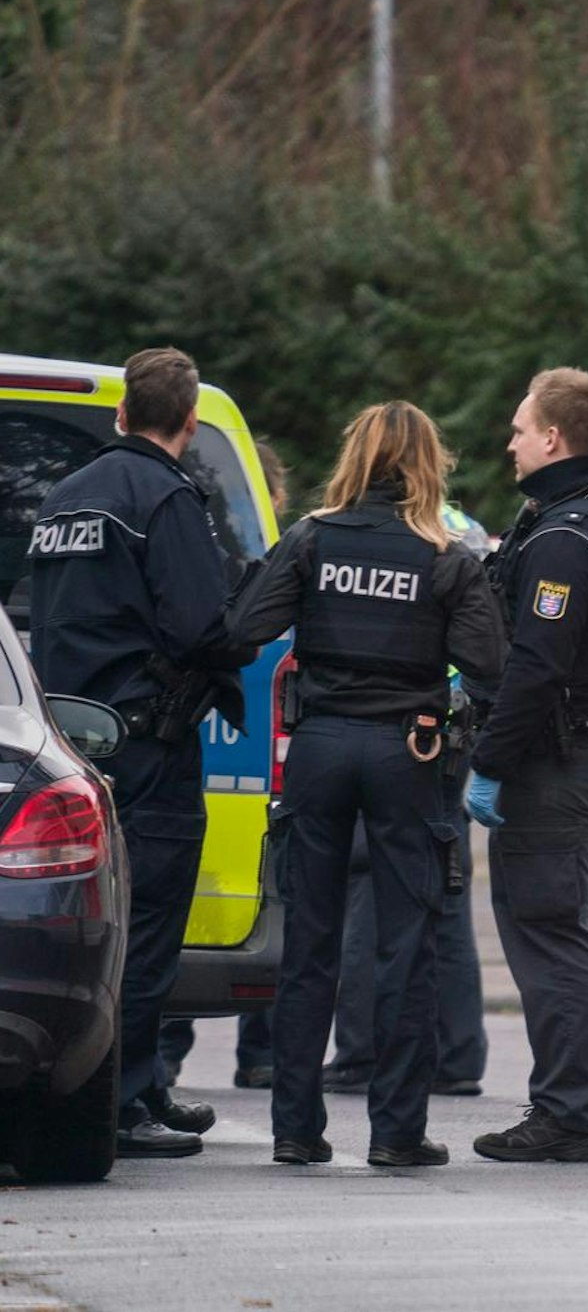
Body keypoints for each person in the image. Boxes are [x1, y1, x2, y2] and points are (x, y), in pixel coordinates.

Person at [226, 401, 505, 1167]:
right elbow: (489, 663)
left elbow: (246, 625)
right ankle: (396, 1133)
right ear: (427, 464)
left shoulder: (312, 537)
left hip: (317, 748)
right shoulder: (447, 555)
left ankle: (294, 1129)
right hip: (406, 754)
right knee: (406, 943)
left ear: (354, 456)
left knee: (309, 944)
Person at [28, 347, 254, 1158]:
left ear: (123, 412)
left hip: (67, 739)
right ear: (189, 425)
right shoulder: (165, 497)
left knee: (97, 921)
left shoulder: (63, 497)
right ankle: (127, 1100)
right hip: (148, 741)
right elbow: (202, 626)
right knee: (152, 924)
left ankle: (143, 1077)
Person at [465, 368, 588, 1163]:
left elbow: (537, 666)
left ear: (553, 438)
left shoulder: (567, 537)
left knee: (547, 933)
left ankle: (568, 1114)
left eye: (518, 427)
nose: (509, 441)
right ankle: (573, 1107)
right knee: (567, 929)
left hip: (554, 760)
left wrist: (491, 760)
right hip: (582, 752)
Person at [324, 502, 494, 1098]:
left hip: (398, 724)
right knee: (447, 884)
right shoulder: (460, 527)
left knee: (373, 882)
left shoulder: (373, 534)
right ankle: (457, 1052)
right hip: (454, 725)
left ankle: (363, 1052)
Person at [161, 440, 293, 1093]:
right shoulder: (270, 559)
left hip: (166, 744)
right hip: (243, 761)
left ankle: (162, 1060)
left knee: (164, 910)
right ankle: (257, 1054)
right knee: (270, 897)